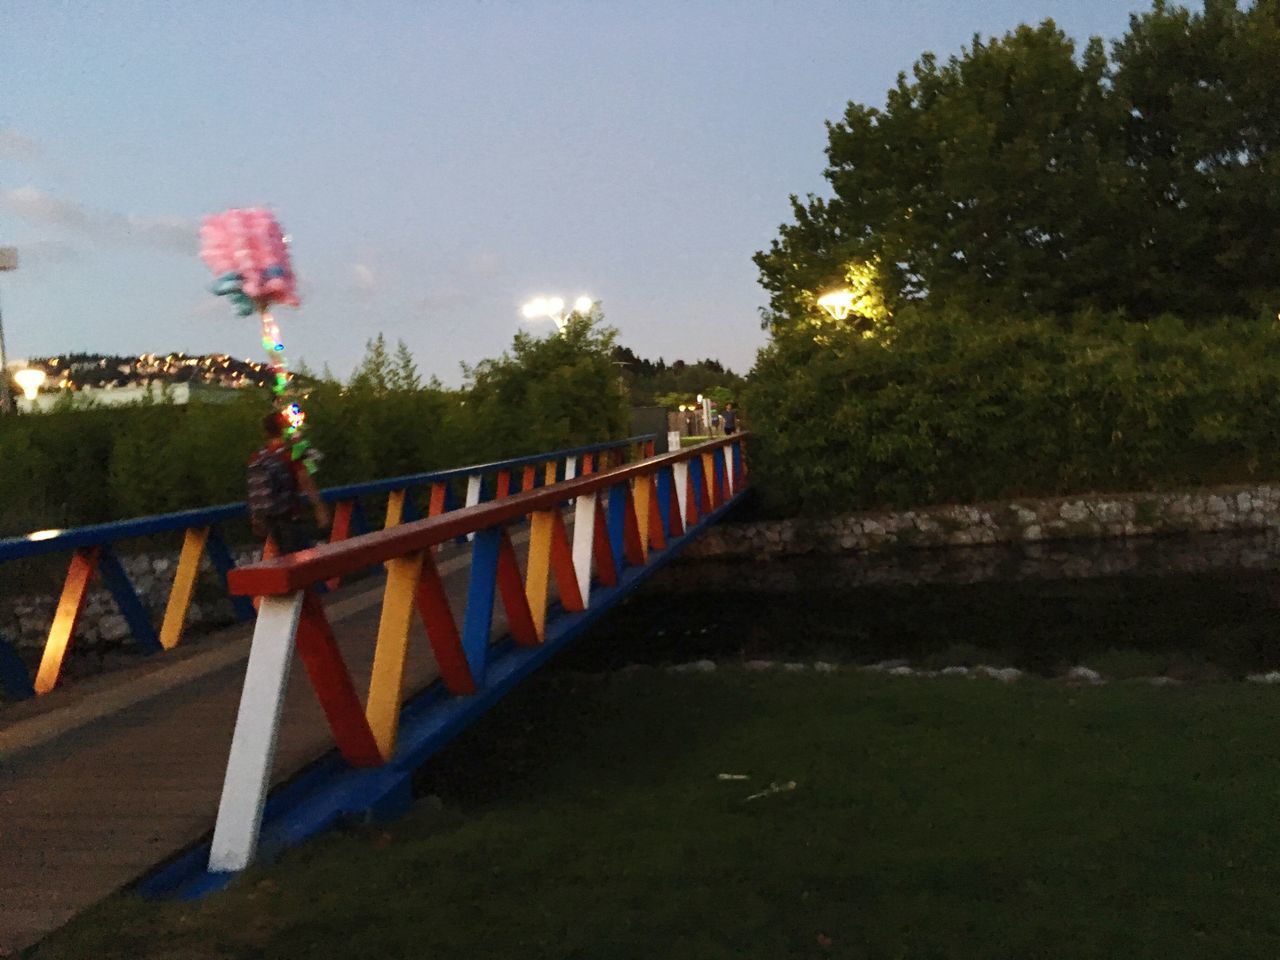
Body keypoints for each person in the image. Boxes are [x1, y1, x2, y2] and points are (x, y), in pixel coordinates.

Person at [247, 411, 330, 554]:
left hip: (269, 519)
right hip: (290, 516)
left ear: (265, 432)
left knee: (282, 558)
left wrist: (256, 517)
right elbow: (305, 480)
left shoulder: (257, 457)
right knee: (301, 558)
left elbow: (255, 488)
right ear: (284, 429)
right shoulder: (289, 453)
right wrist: (319, 509)